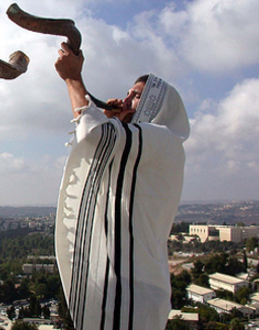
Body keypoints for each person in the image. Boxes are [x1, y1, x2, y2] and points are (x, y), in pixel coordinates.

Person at [53, 42, 190, 329]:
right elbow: (99, 145)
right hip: (127, 284)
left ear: (157, 105)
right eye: (128, 93)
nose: (125, 99)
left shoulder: (162, 140)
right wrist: (113, 123)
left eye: (136, 96)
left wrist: (72, 79)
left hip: (133, 291)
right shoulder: (147, 144)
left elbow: (94, 138)